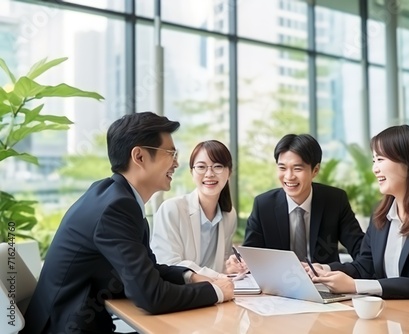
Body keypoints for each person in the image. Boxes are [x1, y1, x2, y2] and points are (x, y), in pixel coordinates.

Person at [22, 112, 234, 334]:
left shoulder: (115, 196)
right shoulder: (117, 208)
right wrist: (216, 292)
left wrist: (188, 276)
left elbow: (148, 270)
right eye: (170, 153)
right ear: (139, 157)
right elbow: (151, 297)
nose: (177, 163)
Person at [308, 125, 409, 304]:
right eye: (374, 160)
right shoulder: (380, 213)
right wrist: (324, 269)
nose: (375, 169)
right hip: (396, 313)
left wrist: (356, 286)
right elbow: (365, 266)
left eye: (381, 159)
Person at [226, 133, 365, 273]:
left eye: (297, 168)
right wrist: (240, 262)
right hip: (278, 286)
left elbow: (363, 253)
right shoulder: (263, 205)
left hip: (324, 284)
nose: (289, 176)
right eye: (282, 168)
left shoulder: (335, 200)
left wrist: (329, 269)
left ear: (315, 170)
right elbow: (251, 256)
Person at [151, 140, 237, 278]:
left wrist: (230, 267)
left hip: (214, 292)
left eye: (218, 166)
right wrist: (218, 277)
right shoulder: (171, 209)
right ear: (192, 172)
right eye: (201, 167)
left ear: (229, 172)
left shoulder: (229, 214)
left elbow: (220, 266)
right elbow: (168, 264)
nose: (209, 174)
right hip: (180, 292)